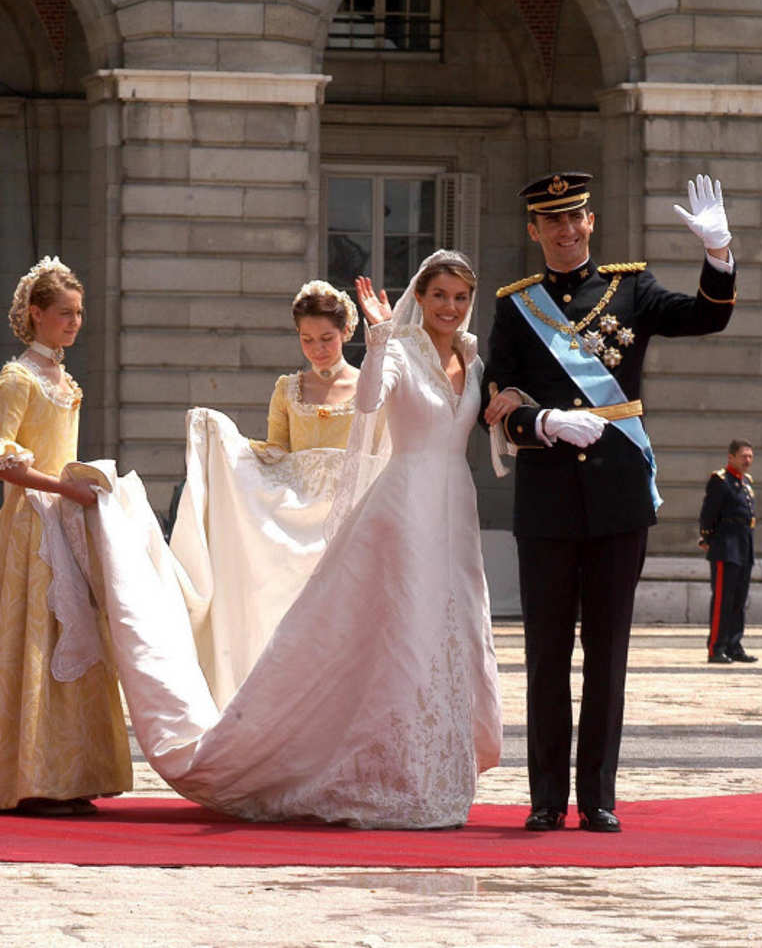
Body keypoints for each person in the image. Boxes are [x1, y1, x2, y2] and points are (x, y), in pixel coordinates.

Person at [80, 250, 501, 829]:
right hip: (404, 508)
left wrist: (519, 404)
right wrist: (378, 338)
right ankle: (391, 772)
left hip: (455, 508)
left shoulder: (475, 360)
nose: (450, 308)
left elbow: (490, 424)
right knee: (404, 634)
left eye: (460, 298)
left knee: (449, 634)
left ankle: (435, 770)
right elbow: (370, 402)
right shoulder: (398, 348)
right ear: (420, 300)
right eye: (439, 297)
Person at [482, 173, 736, 833]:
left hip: (618, 497)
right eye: (551, 222)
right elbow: (496, 398)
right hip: (545, 501)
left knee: (608, 653)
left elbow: (707, 316)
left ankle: (597, 797)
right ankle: (544, 799)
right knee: (544, 655)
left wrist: (717, 255)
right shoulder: (517, 306)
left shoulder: (633, 289)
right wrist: (541, 423)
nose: (565, 232)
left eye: (575, 219)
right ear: (534, 231)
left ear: (591, 222)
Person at [169, 281, 365, 708]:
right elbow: (277, 451)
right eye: (307, 340)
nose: (317, 349)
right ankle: (290, 705)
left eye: (326, 339)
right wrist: (224, 442)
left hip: (348, 514)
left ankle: (341, 706)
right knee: (289, 609)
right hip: (299, 515)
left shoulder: (368, 388)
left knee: (343, 614)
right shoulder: (288, 389)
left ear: (346, 331)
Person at [0, 257, 132, 816]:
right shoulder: (18, 376)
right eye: (65, 314)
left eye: (80, 314)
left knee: (76, 640)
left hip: (67, 518)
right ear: (37, 315)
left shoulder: (63, 376)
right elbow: (5, 457)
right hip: (33, 520)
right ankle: (31, 780)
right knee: (37, 641)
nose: (75, 322)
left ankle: (72, 773)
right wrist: (63, 489)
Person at [699, 439, 757, 664]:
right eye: (743, 456)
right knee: (723, 599)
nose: (747, 460)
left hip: (744, 546)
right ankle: (716, 647)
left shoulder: (745, 483)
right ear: (731, 457)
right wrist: (707, 537)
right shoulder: (720, 481)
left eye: (750, 456)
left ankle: (734, 644)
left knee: (739, 600)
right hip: (726, 547)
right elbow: (709, 513)